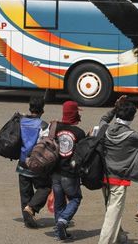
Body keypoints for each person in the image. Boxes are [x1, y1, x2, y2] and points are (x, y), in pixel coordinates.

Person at [98, 96, 138, 244]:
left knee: (111, 209)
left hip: (104, 176)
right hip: (119, 179)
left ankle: (120, 237)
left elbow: (104, 119)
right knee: (113, 212)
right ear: (132, 118)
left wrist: (115, 107)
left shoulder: (105, 129)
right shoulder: (132, 136)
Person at [52, 100, 86, 240]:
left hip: (55, 172)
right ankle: (63, 220)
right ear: (74, 114)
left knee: (59, 202)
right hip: (70, 174)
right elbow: (84, 152)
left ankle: (60, 232)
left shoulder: (55, 127)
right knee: (75, 198)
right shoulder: (79, 132)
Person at [16, 96, 51, 229]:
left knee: (25, 192)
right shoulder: (44, 126)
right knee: (45, 187)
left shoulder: (20, 121)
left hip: (22, 163)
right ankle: (31, 208)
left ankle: (27, 220)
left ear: (29, 107)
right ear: (42, 110)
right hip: (37, 165)